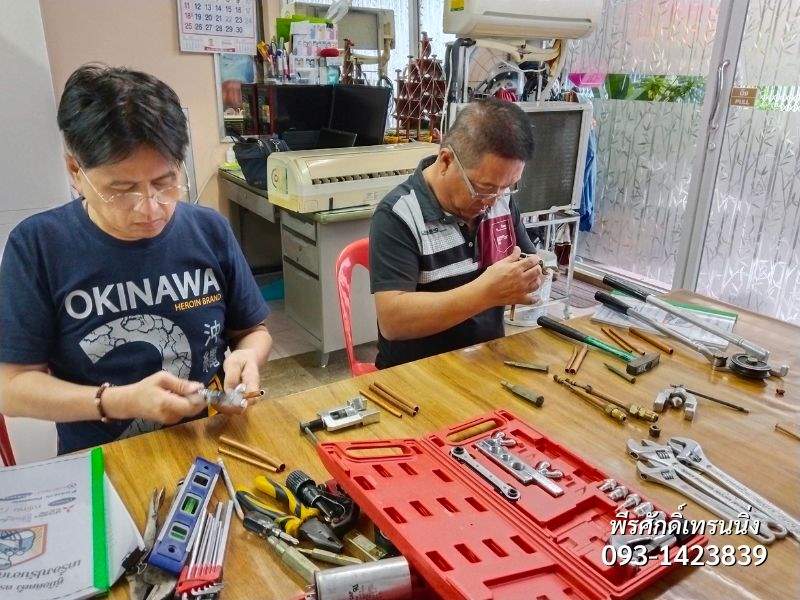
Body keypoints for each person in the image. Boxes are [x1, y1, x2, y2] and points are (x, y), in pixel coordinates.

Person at [0, 65, 272, 454]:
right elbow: (11, 387)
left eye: (165, 182)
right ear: (76, 171)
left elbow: (253, 330)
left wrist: (248, 356)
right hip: (107, 458)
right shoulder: (39, 246)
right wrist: (118, 401)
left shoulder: (209, 230)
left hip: (209, 442)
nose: (150, 208)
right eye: (122, 189)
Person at [369, 99, 543, 368]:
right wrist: (486, 292)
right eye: (484, 188)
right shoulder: (399, 214)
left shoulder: (500, 200)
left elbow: (528, 260)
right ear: (446, 160)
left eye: (507, 186)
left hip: (484, 359)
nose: (493, 200)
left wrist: (532, 274)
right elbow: (393, 322)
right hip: (416, 373)